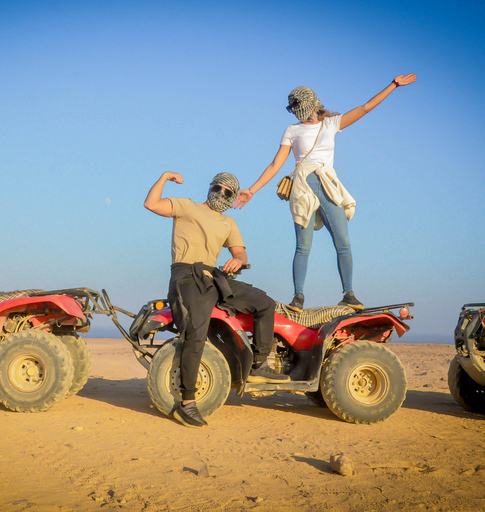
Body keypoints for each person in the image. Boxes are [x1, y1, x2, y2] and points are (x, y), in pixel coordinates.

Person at [233, 74, 417, 313]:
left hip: (328, 185)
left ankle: (348, 294)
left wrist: (393, 86)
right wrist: (253, 190)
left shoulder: (331, 123)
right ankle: (298, 297)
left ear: (311, 104)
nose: (297, 112)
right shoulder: (292, 130)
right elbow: (275, 165)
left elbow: (365, 108)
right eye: (294, 108)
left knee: (343, 242)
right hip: (303, 187)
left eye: (299, 107)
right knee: (303, 246)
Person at [144, 171, 290, 428]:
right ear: (210, 187)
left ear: (233, 197)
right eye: (217, 188)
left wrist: (238, 260)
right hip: (187, 276)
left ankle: (257, 363)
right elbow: (151, 203)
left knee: (265, 303)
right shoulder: (186, 206)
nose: (220, 194)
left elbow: (240, 252)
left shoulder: (228, 223)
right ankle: (187, 404)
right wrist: (165, 177)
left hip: (216, 277)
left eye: (227, 192)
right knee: (195, 336)